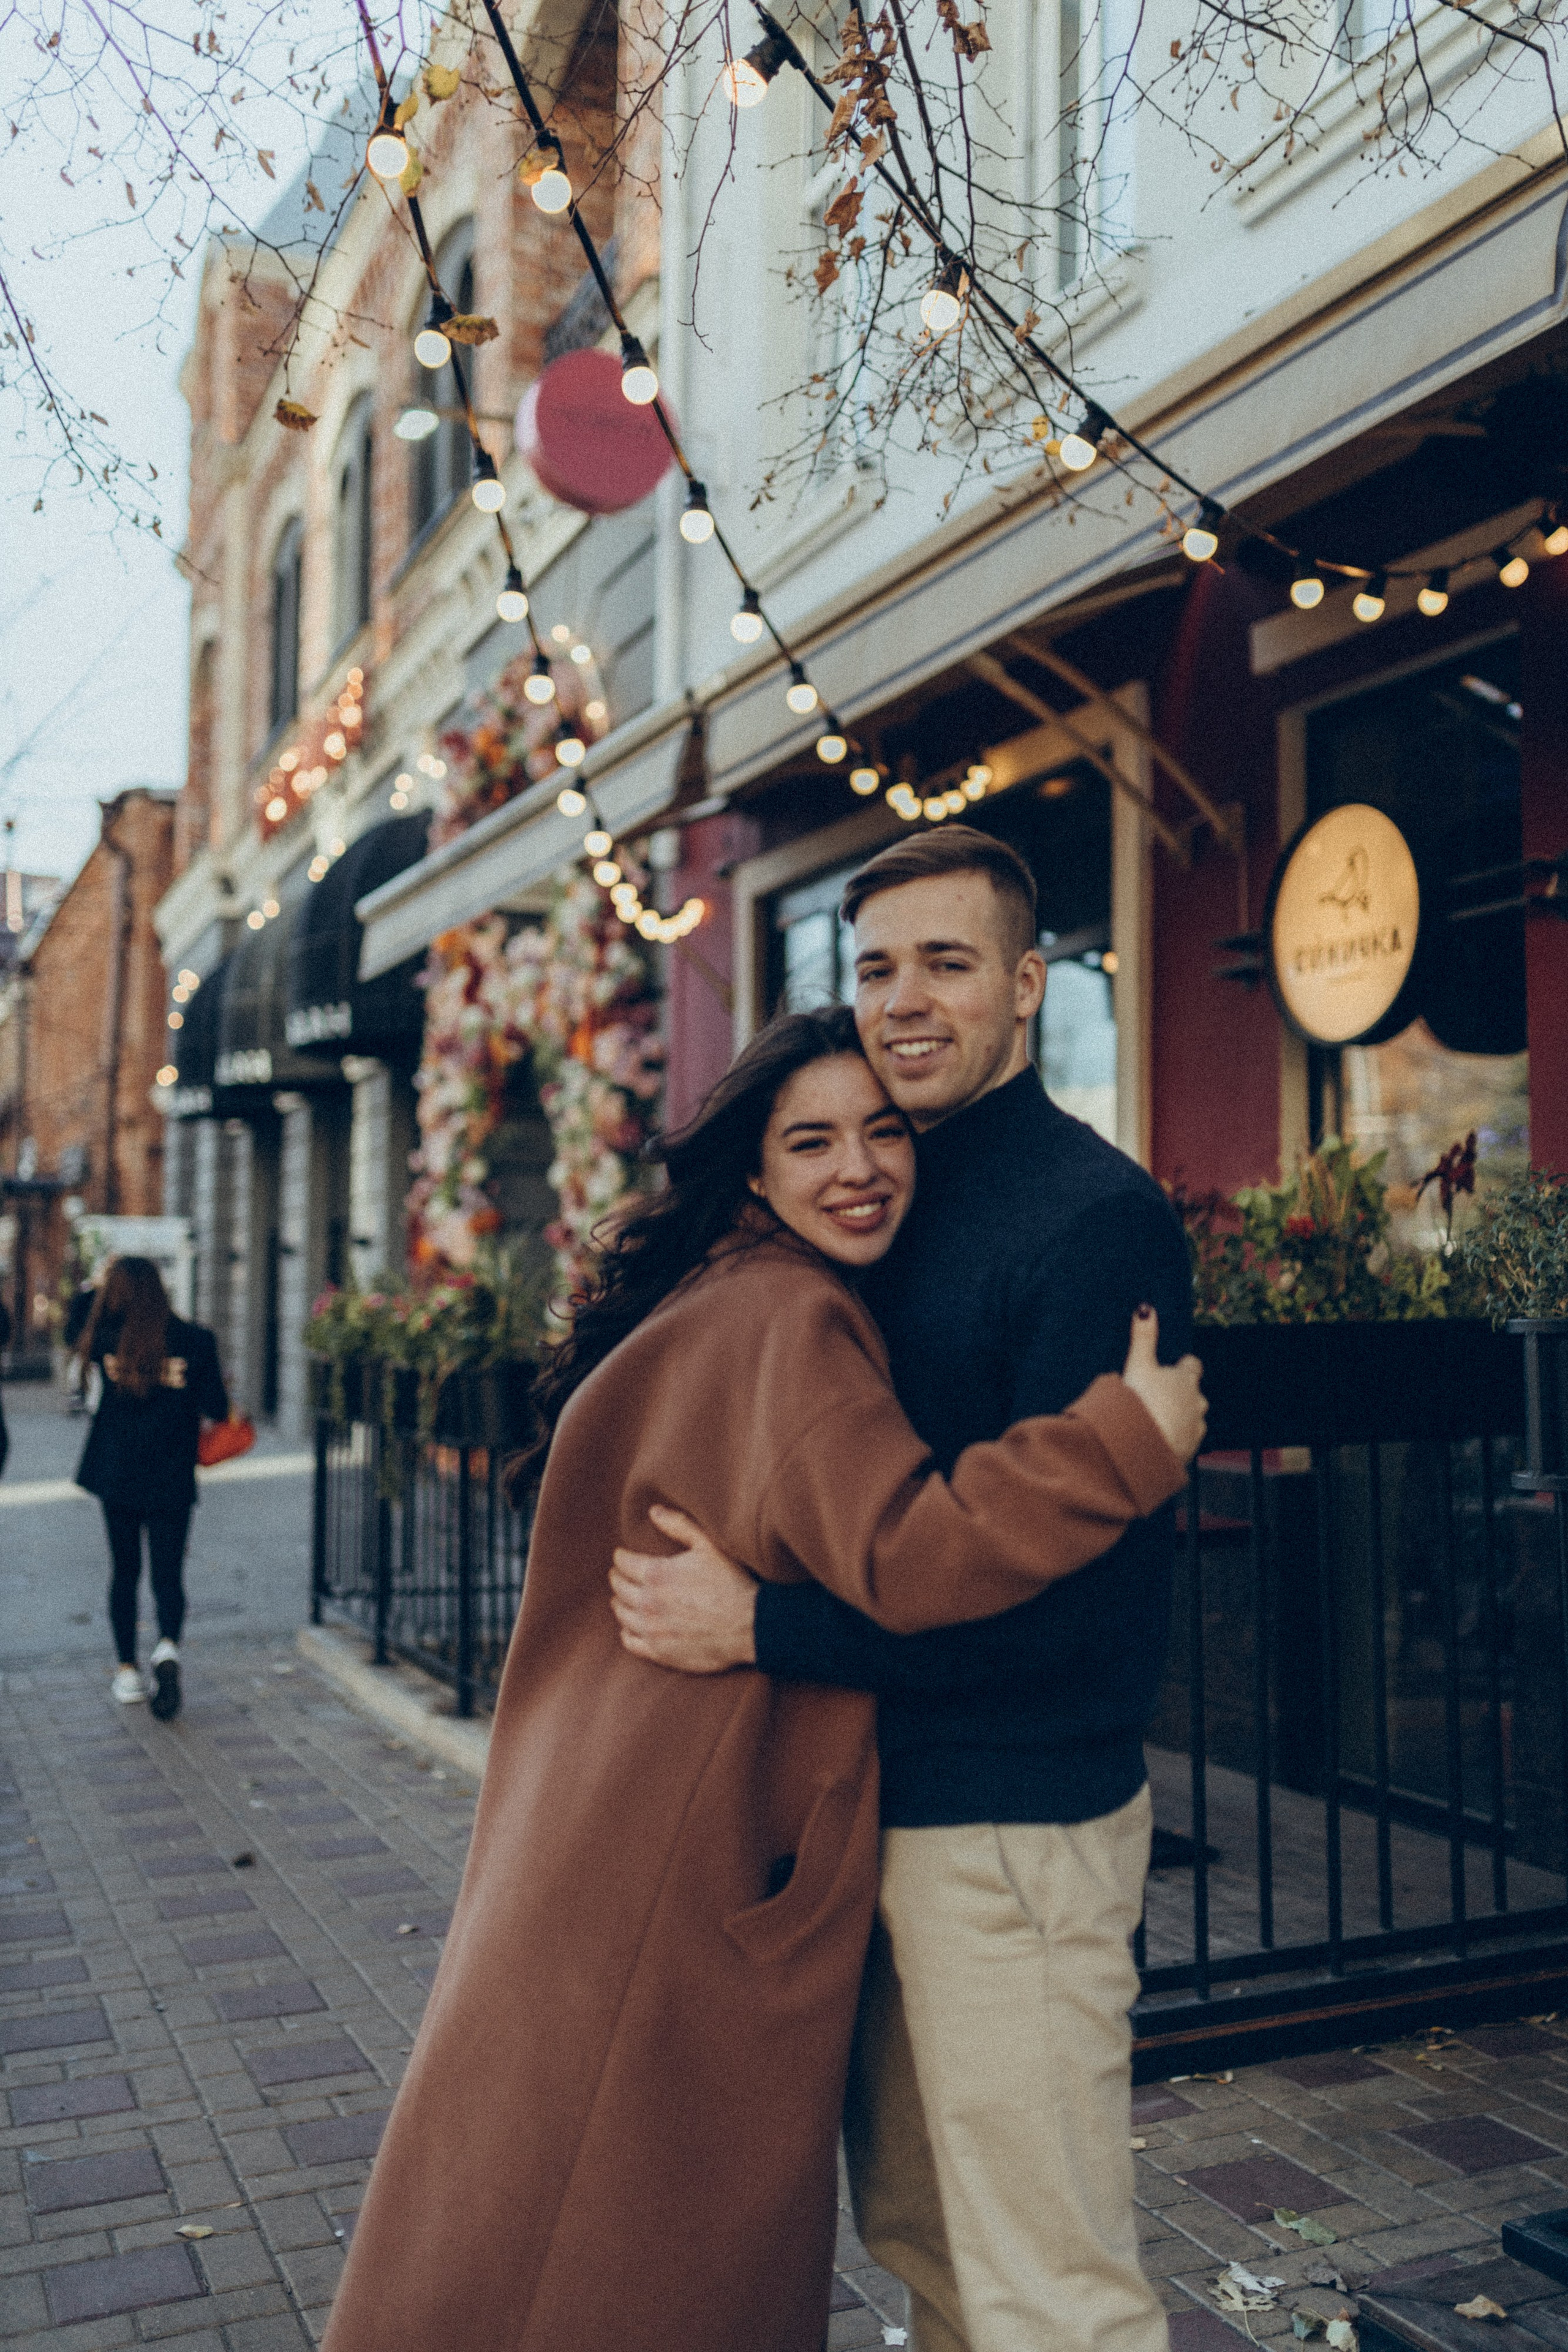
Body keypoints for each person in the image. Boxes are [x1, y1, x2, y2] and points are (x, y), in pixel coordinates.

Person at [319, 1006, 1205, 2352]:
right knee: (624, 2257)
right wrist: (1121, 1441)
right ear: (754, 1170)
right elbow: (910, 1555)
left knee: (526, 2223)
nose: (857, 1167)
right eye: (812, 1141)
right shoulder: (792, 1318)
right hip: (679, 1839)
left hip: (596, 1822)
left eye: (883, 1132)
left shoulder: (714, 1294)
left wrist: (757, 1620)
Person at [609, 826, 1196, 2352]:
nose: (905, 998)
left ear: (1025, 980)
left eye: (945, 962)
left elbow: (1069, 1606)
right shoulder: (882, 1194)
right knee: (928, 2248)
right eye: (875, 967)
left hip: (1012, 1828)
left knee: (1048, 2288)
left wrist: (765, 1626)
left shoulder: (1093, 1217)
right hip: (872, 1804)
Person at [75, 1256, 228, 1719]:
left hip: (116, 1471)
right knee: (168, 1572)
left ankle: (126, 1670)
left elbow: (76, 1326)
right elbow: (217, 1408)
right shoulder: (197, 1340)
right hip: (171, 1472)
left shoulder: (103, 1339)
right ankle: (166, 1648)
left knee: (124, 1571)